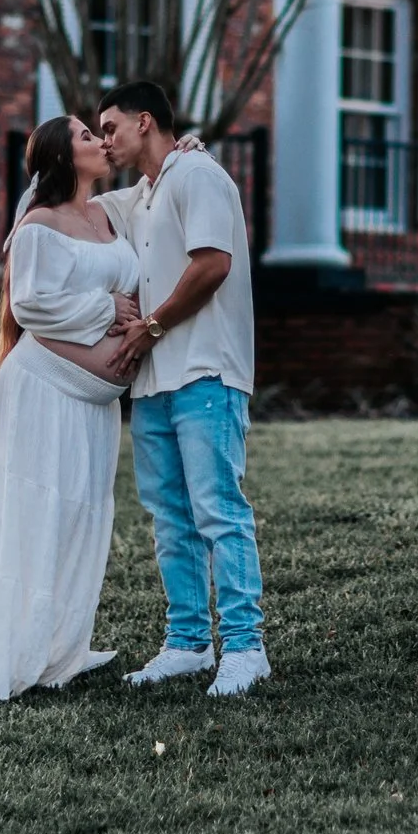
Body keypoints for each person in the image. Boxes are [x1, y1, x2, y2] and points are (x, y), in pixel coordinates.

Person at [0, 115, 144, 701]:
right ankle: (13, 651)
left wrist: (189, 148)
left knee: (79, 516)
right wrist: (111, 311)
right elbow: (31, 304)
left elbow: (158, 185)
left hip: (93, 404)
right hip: (43, 392)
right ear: (61, 157)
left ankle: (59, 648)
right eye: (85, 135)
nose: (100, 141)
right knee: (37, 512)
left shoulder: (107, 214)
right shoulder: (38, 226)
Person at [95, 81, 269, 699]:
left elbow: (212, 264)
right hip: (152, 384)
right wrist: (65, 158)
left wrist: (151, 325)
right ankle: (188, 644)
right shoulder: (140, 196)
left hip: (205, 373)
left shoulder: (197, 174)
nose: (105, 140)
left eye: (110, 127)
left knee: (218, 510)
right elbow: (64, 207)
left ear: (146, 121)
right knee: (170, 519)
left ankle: (246, 649)